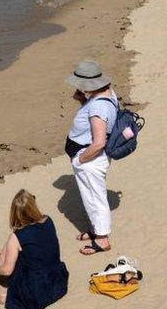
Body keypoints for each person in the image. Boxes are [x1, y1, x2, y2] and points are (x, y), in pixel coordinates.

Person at [0, 189, 69, 308]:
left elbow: (8, 270)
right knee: (18, 247)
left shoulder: (17, 237)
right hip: (58, 283)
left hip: (36, 292)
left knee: (11, 248)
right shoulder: (48, 220)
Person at [65, 60, 118, 256]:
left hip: (91, 159)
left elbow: (98, 142)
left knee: (94, 198)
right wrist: (83, 101)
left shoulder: (97, 107)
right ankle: (97, 230)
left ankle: (102, 240)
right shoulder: (108, 94)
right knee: (92, 196)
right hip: (94, 158)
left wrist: (80, 160)